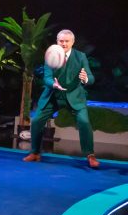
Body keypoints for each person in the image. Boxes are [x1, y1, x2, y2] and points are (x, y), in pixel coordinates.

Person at [23, 29, 99, 168]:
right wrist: (53, 84)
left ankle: (90, 155)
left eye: (67, 41)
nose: (64, 44)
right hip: (53, 96)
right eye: (61, 41)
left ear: (72, 42)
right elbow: (46, 78)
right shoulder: (51, 55)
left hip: (74, 96)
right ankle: (35, 152)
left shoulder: (80, 56)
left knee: (84, 122)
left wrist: (85, 78)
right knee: (37, 120)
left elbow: (91, 78)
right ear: (57, 41)